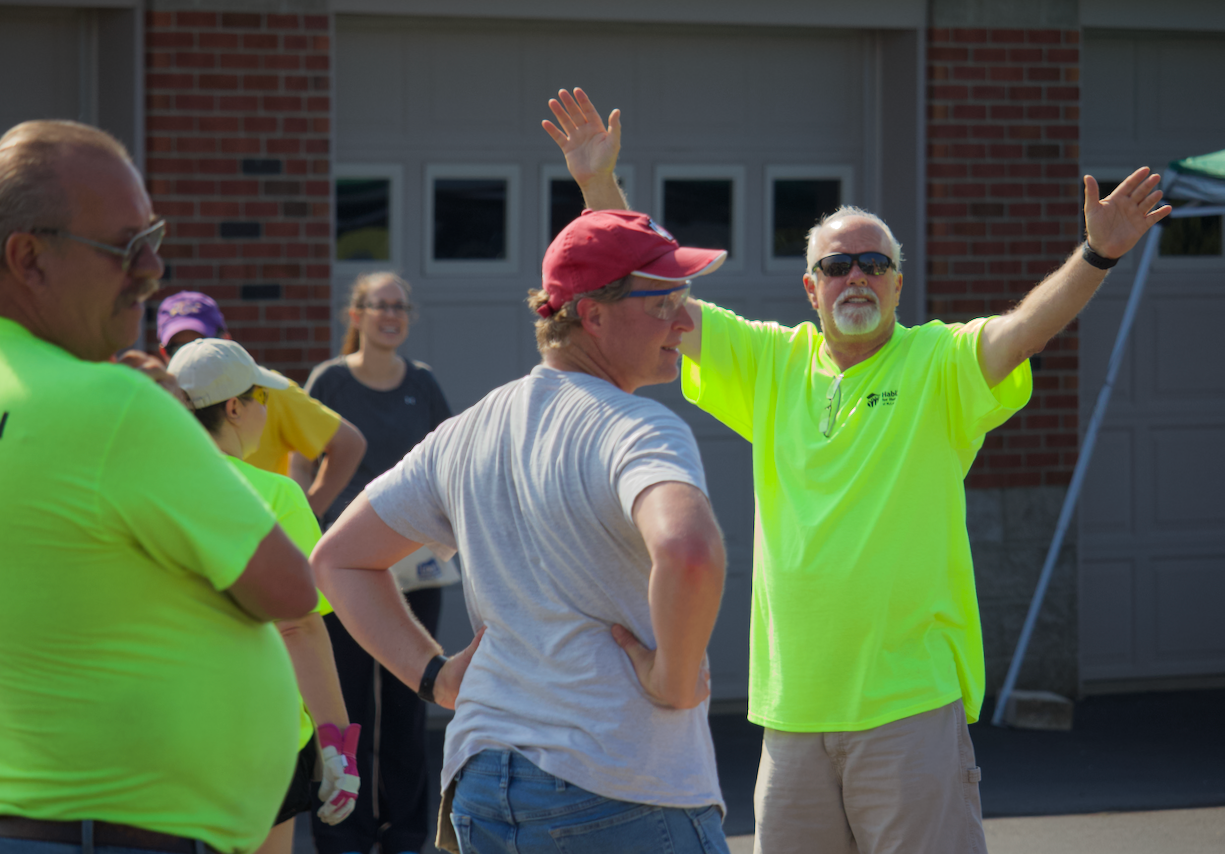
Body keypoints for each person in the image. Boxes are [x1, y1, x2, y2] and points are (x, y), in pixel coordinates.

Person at [544, 88, 1173, 854]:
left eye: (876, 264)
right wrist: (597, 188)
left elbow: (1020, 333)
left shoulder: (937, 363)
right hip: (793, 714)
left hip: (908, 708)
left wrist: (1097, 253)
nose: (857, 278)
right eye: (837, 265)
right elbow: (660, 298)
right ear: (810, 288)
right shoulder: (773, 363)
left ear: (898, 286)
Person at [312, 209, 732, 854]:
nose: (684, 321)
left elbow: (338, 559)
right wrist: (673, 679)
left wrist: (435, 679)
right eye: (664, 301)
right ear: (592, 315)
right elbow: (689, 550)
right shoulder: (639, 427)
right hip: (621, 782)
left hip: (483, 785)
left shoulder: (467, 431)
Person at [0, 120, 317, 854]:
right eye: (126, 246)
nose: (153, 267)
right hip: (110, 834)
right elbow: (289, 591)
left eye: (153, 235)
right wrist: (168, 424)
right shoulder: (114, 409)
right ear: (28, 257)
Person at [167, 337, 362, 854]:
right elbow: (299, 625)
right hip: (259, 737)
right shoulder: (277, 495)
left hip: (160, 733)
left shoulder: (139, 487)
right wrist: (338, 748)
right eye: (261, 398)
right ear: (234, 407)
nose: (265, 411)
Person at [300, 273, 453, 854]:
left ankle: (407, 833)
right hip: (344, 571)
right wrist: (307, 527)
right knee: (347, 705)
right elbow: (299, 458)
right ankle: (344, 831)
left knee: (413, 701)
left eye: (400, 307)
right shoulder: (330, 381)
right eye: (379, 305)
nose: (391, 315)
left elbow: (446, 461)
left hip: (414, 572)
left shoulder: (424, 384)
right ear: (356, 314)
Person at [157, 291, 367, 516]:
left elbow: (349, 443)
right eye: (177, 349)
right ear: (162, 352)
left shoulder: (267, 388)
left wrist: (306, 513)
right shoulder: (147, 406)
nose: (192, 355)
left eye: (201, 342)